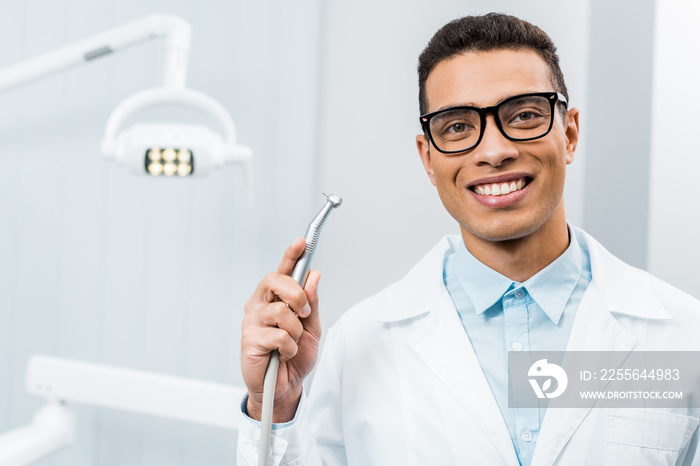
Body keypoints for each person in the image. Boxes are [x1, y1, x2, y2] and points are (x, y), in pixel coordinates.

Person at [237, 13, 700, 466]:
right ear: (428, 158)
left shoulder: (682, 336)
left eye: (523, 115)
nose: (495, 151)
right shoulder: (358, 344)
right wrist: (272, 409)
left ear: (570, 133)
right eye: (457, 127)